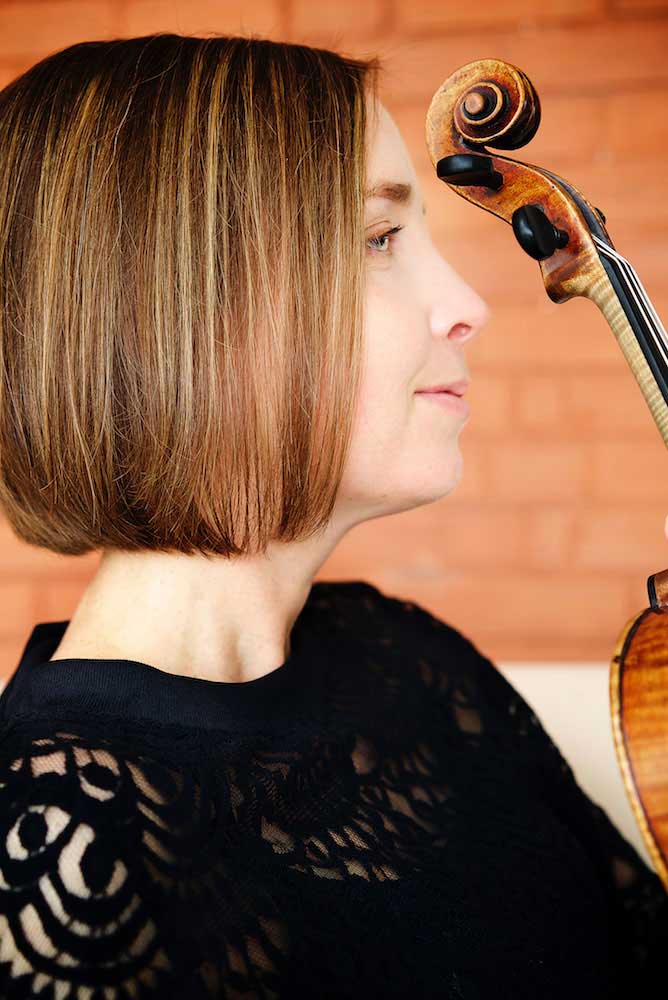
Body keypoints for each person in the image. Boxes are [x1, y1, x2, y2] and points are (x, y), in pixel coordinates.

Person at [0, 33, 665, 999]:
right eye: (378, 240)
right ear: (180, 311)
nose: (467, 304)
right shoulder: (55, 843)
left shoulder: (405, 657)